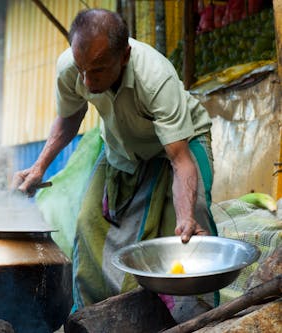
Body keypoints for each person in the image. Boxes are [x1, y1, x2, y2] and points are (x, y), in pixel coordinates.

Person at [12, 8, 218, 314]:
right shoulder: (71, 67)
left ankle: (194, 317)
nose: (87, 80)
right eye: (82, 69)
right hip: (122, 149)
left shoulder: (155, 78)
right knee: (89, 222)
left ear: (124, 56)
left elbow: (180, 160)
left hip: (181, 146)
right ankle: (100, 315)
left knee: (190, 225)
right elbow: (69, 118)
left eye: (97, 70)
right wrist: (39, 166)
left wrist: (186, 216)